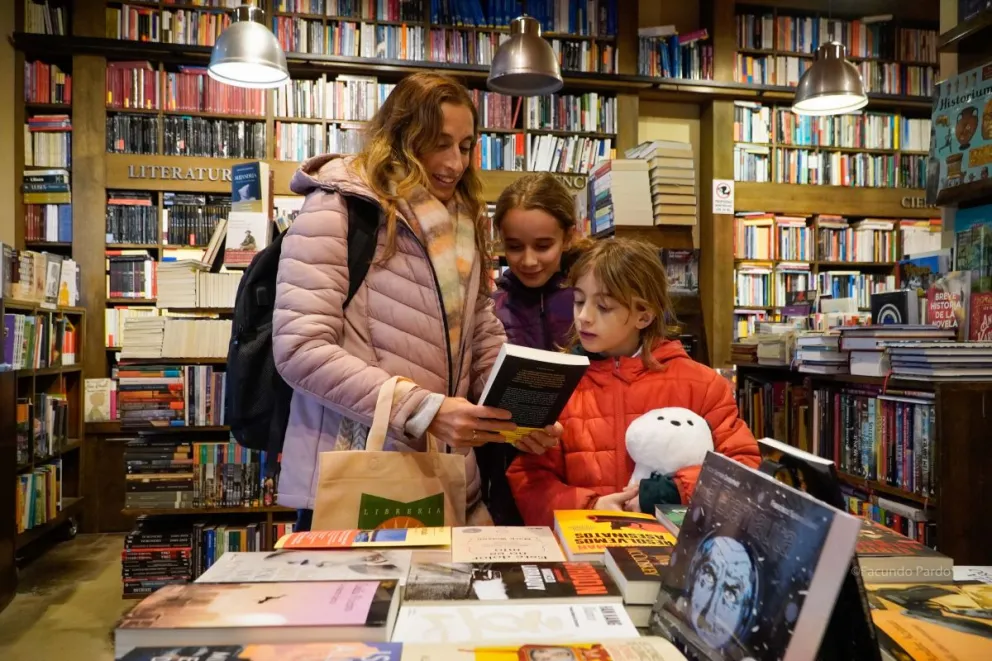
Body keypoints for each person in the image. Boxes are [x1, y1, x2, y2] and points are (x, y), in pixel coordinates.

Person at [271, 72, 558, 531]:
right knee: (360, 603)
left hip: (446, 471)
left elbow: (480, 330)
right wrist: (424, 410)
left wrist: (520, 414)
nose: (454, 163)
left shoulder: (464, 220)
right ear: (401, 138)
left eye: (465, 146)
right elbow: (300, 350)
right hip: (362, 465)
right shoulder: (338, 207)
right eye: (438, 143)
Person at [507, 238, 760, 527]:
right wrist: (592, 506)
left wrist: (671, 491)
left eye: (603, 306)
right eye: (578, 301)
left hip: (670, 551)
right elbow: (530, 479)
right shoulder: (559, 384)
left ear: (644, 315)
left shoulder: (700, 384)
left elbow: (743, 468)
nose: (584, 317)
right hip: (583, 548)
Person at [478, 172, 583, 525]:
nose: (527, 260)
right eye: (514, 246)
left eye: (542, 245)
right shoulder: (491, 307)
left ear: (569, 237)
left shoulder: (592, 300)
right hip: (508, 465)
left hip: (583, 458)